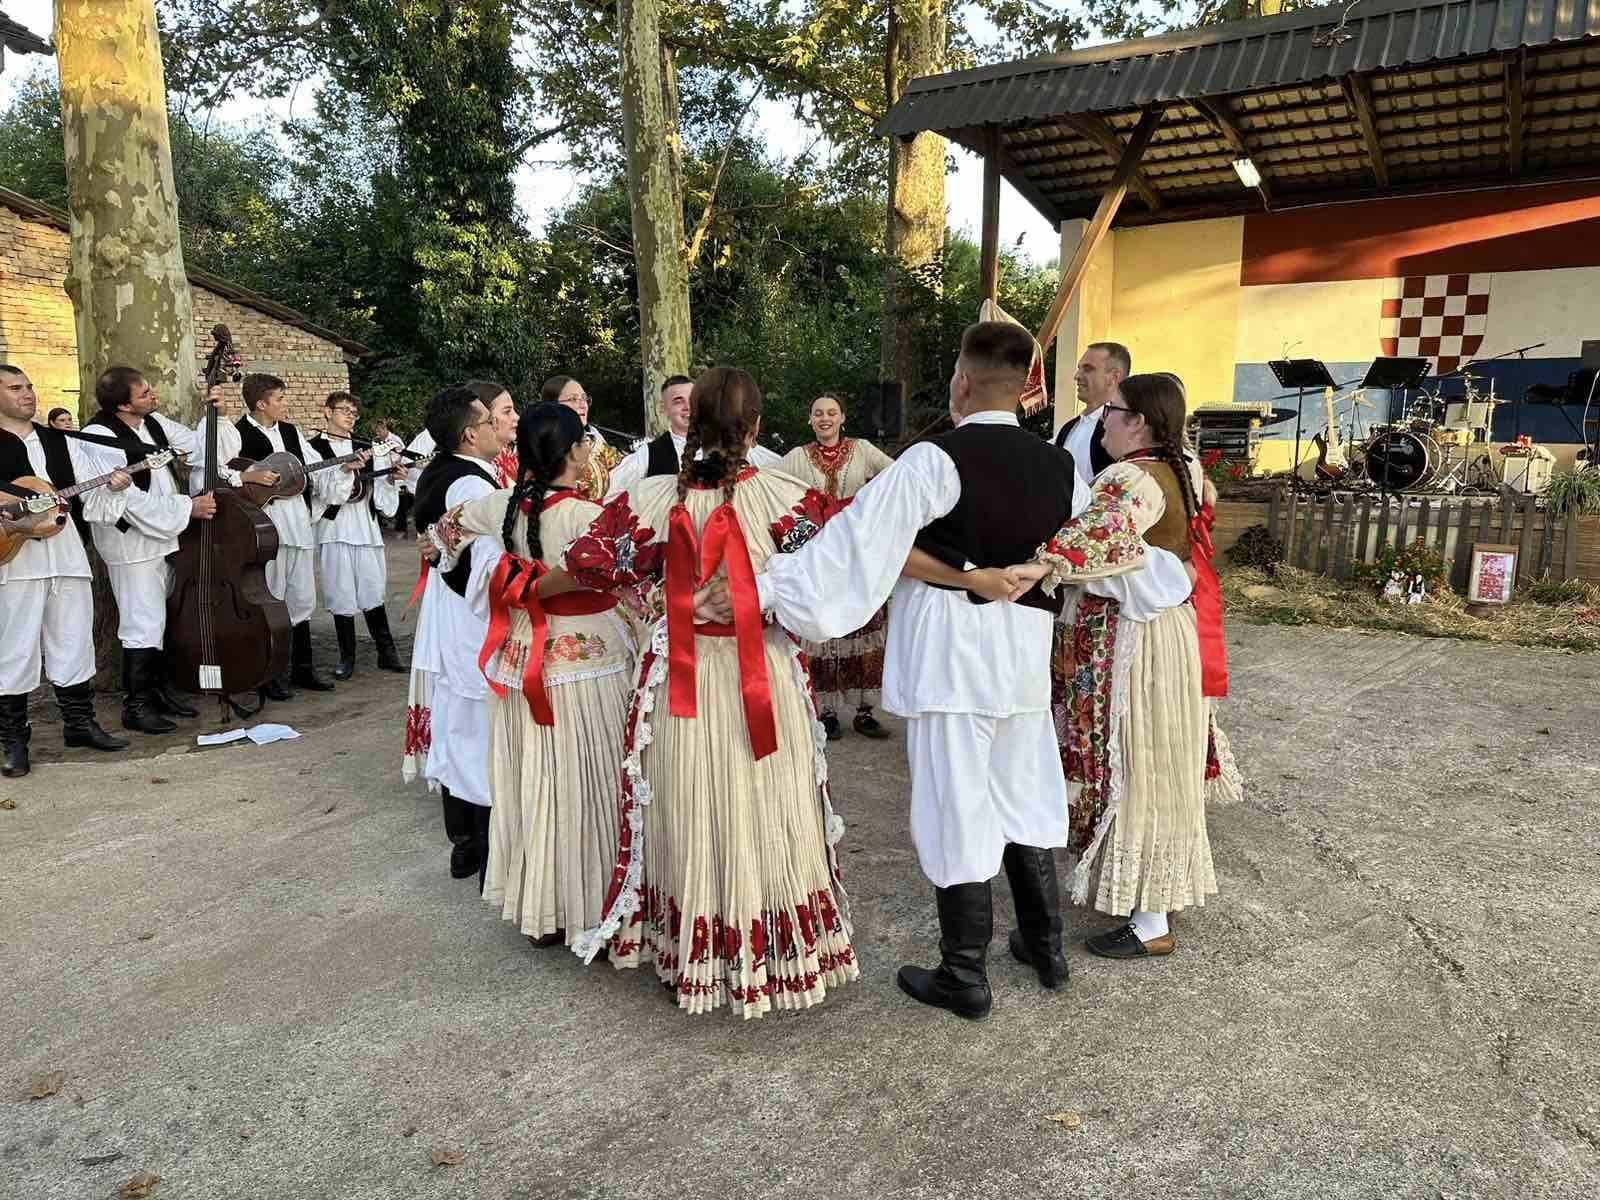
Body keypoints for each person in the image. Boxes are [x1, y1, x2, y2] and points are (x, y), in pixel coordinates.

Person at [747, 322, 1079, 1021]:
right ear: (1026, 386)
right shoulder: (1062, 465)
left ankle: (965, 974)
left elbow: (859, 545)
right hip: (1023, 653)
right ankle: (1047, 949)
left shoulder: (934, 459)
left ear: (961, 383)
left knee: (956, 803)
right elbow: (1083, 548)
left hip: (951, 657)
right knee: (1023, 791)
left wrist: (773, 588)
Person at [532, 366, 858, 1018]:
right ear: (757, 428)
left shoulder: (650, 501)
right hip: (760, 675)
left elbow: (587, 566)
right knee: (765, 799)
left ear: (689, 424)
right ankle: (769, 950)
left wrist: (640, 595)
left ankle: (691, 949)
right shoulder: (790, 499)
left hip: (679, 678)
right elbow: (838, 577)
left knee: (687, 801)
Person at [1011, 373, 1221, 960]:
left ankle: (1152, 921)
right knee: (1159, 761)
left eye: (1114, 410)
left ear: (1141, 423)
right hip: (1171, 634)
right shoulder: (1186, 468)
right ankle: (1152, 903)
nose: (1103, 418)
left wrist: (1044, 563)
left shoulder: (1130, 477)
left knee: (1138, 762)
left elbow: (1100, 534)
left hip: (1135, 641)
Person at [426, 402, 638, 948]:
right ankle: (591, 900)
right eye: (585, 443)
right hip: (587, 660)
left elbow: (440, 536)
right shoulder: (589, 518)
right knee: (588, 778)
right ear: (572, 452)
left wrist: (512, 578)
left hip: (521, 655)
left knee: (535, 778)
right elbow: (633, 573)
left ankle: (543, 905)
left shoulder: (501, 504)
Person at [0, 366, 132, 776]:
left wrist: (112, 487)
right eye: (16, 388)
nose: (28, 394)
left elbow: (84, 501)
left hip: (66, 553)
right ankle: (13, 740)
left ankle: (79, 723)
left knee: (73, 639)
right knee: (14, 647)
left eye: (30, 386)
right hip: (14, 559)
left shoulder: (60, 440)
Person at [76, 367, 219, 734]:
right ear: (123, 404)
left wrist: (212, 412)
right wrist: (187, 507)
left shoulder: (152, 423)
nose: (153, 397)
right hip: (131, 543)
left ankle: (156, 692)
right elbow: (128, 500)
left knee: (159, 617)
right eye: (144, 394)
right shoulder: (98, 436)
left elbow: (197, 444)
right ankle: (135, 705)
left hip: (162, 536)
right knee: (141, 621)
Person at [404, 385, 510, 882]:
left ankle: (466, 842)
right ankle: (479, 842)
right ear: (470, 434)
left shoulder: (445, 472)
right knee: (474, 724)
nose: (497, 426)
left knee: (458, 722)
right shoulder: (469, 486)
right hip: (470, 614)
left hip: (451, 611)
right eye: (490, 419)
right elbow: (481, 564)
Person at [187, 372, 337, 701]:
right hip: (264, 524)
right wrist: (250, 476)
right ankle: (271, 673)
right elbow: (222, 474)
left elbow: (314, 468)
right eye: (280, 399)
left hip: (297, 521)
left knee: (301, 597)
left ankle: (303, 668)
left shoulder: (291, 431)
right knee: (274, 595)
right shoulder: (237, 433)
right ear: (261, 403)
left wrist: (342, 466)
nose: (286, 404)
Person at [777, 393, 895, 740]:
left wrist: (868, 501)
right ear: (810, 420)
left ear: (843, 417)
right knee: (821, 627)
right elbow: (768, 483)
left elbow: (896, 476)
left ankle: (864, 710)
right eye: (818, 414)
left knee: (861, 622)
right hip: (818, 556)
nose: (825, 418)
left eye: (831, 413)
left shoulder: (863, 450)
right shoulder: (798, 457)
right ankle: (825, 711)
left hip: (857, 554)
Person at [309, 392, 406, 680]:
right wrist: (342, 470)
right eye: (344, 410)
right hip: (333, 527)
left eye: (354, 412)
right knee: (340, 591)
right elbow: (318, 491)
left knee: (372, 589)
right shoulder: (313, 448)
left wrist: (389, 479)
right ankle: (346, 656)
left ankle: (386, 653)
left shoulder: (367, 447)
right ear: (327, 412)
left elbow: (382, 498)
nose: (350, 416)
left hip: (364, 525)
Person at [1053, 342, 1129, 489]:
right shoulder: (1069, 428)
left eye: (1088, 369)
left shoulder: (1123, 430)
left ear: (1114, 377)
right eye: (1079, 369)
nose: (1077, 376)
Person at [605, 374, 693, 498]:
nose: (688, 407)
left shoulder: (721, 447)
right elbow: (608, 491)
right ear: (663, 409)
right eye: (678, 401)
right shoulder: (649, 454)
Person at [544, 375, 620, 500]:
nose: (583, 405)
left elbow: (620, 468)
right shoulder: (542, 444)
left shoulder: (593, 437)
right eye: (574, 399)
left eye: (585, 399)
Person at [369, 418, 408, 534]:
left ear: (385, 429)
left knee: (400, 502)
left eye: (379, 431)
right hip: (382, 475)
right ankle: (380, 524)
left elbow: (402, 457)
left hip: (396, 475)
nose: (377, 433)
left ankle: (401, 528)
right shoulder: (377, 441)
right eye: (376, 431)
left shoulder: (395, 440)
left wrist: (393, 462)